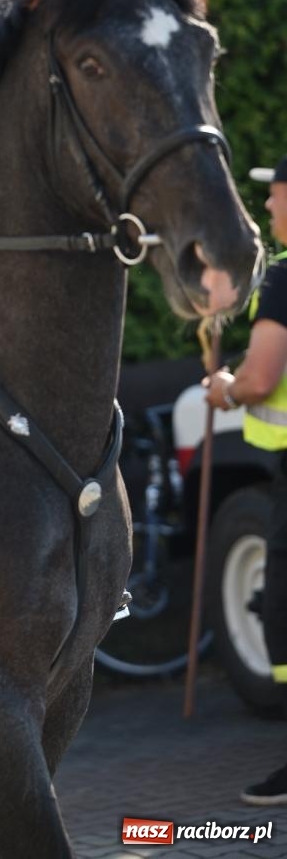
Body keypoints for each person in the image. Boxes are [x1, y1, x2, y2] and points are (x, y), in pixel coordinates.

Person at [204, 155, 287, 805]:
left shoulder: (284, 280)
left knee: (281, 615)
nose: (265, 208)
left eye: (273, 195)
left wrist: (224, 388)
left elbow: (259, 380)